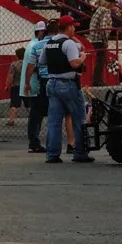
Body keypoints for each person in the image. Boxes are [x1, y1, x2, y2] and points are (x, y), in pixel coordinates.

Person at [40, 17, 92, 165]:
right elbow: (75, 63)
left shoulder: (49, 43)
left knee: (54, 121)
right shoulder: (68, 43)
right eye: (73, 27)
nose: (74, 29)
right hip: (68, 83)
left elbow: (42, 61)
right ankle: (80, 152)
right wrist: (82, 57)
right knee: (79, 119)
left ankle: (52, 154)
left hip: (52, 83)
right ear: (69, 27)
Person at [18, 20, 49, 152]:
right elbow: (34, 66)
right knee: (36, 115)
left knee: (36, 114)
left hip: (31, 84)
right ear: (41, 32)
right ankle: (34, 142)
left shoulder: (32, 44)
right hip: (35, 84)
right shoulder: (36, 45)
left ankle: (34, 141)